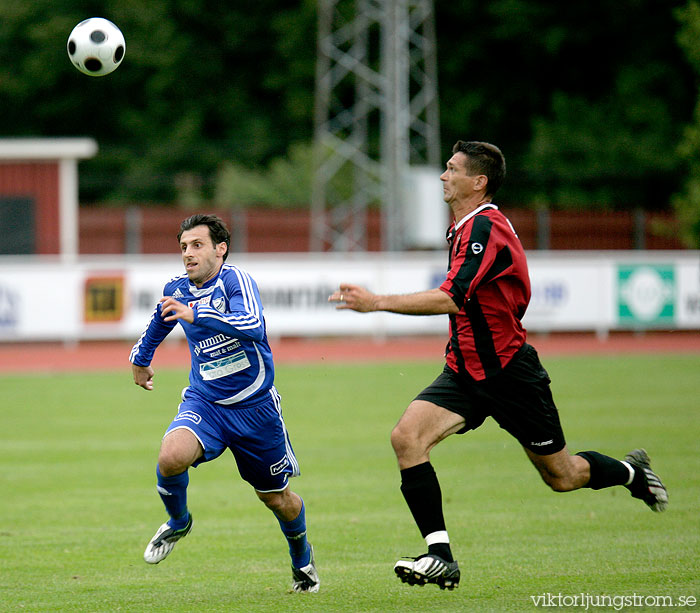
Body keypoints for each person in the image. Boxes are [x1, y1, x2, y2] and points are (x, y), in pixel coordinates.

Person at [328, 140, 668, 591]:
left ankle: (631, 472)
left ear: (478, 181)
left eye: (452, 169)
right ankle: (440, 557)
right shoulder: (463, 228)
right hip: (465, 372)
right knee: (406, 438)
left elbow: (452, 297)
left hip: (510, 374)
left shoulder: (486, 228)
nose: (443, 176)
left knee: (562, 477)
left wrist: (377, 302)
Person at [130, 213, 319, 593]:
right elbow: (158, 324)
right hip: (207, 403)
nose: (188, 254)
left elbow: (252, 324)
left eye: (197, 245)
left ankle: (302, 559)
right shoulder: (177, 289)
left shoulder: (236, 280)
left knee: (277, 499)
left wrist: (196, 312)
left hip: (256, 410)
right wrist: (140, 359)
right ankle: (179, 521)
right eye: (183, 247)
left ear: (221, 249)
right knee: (170, 456)